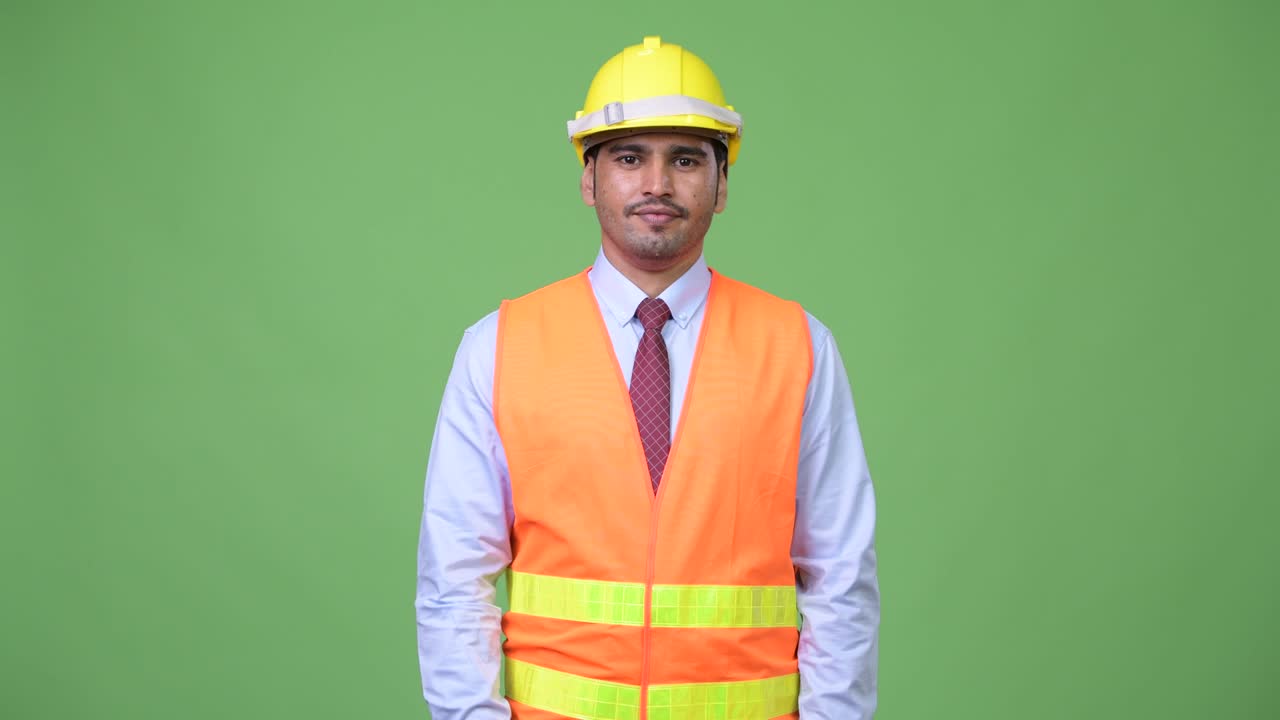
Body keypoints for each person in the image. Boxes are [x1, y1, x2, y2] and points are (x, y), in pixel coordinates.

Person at [416, 36, 879, 719]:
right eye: (629, 157)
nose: (657, 183)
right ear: (588, 178)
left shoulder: (799, 346)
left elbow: (841, 581)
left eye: (685, 159)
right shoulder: (498, 346)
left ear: (722, 184)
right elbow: (453, 583)